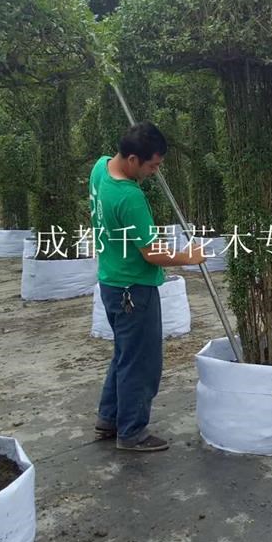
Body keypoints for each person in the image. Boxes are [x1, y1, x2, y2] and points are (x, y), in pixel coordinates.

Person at [89, 122, 207, 452]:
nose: (155, 172)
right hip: (133, 290)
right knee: (141, 364)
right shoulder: (129, 197)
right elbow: (152, 253)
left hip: (111, 282)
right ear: (131, 159)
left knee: (124, 356)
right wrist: (188, 256)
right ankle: (132, 432)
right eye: (151, 166)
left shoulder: (100, 168)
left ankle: (109, 418)